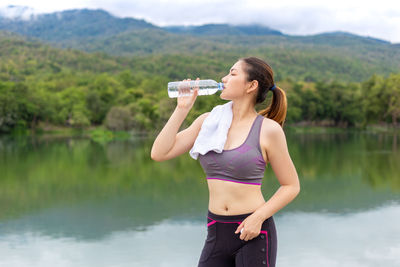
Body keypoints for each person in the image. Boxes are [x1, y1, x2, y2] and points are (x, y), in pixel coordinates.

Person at [151, 57, 300, 267]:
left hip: (253, 231)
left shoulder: (268, 130)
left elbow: (291, 186)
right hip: (216, 229)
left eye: (232, 73)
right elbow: (159, 153)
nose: (224, 78)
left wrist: (259, 217)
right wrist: (182, 109)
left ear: (251, 85)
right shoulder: (208, 122)